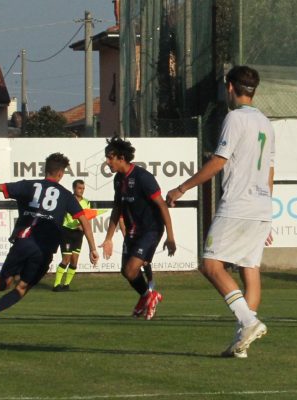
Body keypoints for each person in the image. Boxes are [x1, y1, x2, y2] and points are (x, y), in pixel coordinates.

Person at [166, 65, 274, 358]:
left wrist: (182, 187)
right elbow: (270, 170)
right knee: (249, 269)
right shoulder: (265, 121)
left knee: (211, 265)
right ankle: (242, 342)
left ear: (229, 87)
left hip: (239, 204)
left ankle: (249, 321)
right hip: (261, 204)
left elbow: (218, 161)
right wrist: (267, 212)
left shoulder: (235, 118)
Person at [0, 153, 99, 320]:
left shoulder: (28, 185)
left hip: (23, 241)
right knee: (22, 287)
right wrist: (93, 248)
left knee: (5, 280)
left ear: (46, 169)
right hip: (43, 250)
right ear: (60, 174)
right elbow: (84, 221)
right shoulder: (65, 195)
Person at [100, 136, 176, 320]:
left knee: (132, 268)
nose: (107, 162)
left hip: (151, 229)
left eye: (110, 157)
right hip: (134, 230)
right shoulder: (118, 180)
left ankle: (148, 297)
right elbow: (117, 208)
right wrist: (109, 238)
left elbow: (162, 205)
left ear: (121, 158)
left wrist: (170, 236)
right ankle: (148, 296)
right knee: (126, 271)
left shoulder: (142, 177)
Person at [52, 179, 90, 291]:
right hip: (67, 231)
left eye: (83, 188)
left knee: (74, 260)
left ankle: (66, 285)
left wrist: (84, 226)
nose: (81, 190)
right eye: (79, 188)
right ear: (74, 188)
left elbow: (87, 217)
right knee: (66, 259)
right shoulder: (68, 200)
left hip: (79, 234)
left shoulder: (86, 202)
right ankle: (56, 284)